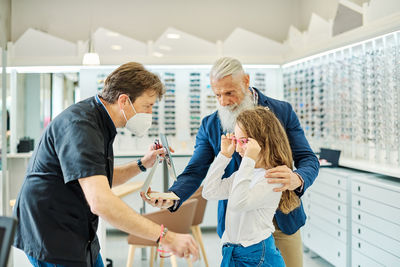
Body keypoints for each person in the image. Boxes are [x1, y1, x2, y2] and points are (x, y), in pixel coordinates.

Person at [13, 62, 199, 267]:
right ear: (124, 101)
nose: (150, 114)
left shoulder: (99, 122)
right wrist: (166, 236)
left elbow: (100, 178)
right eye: (148, 106)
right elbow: (100, 200)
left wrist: (143, 164)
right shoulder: (81, 126)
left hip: (78, 231)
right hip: (53, 237)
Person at [142, 57, 319, 267]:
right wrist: (173, 195)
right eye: (217, 94)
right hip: (239, 228)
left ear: (246, 81)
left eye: (229, 93)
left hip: (282, 219)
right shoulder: (210, 125)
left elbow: (308, 159)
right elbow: (195, 170)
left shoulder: (282, 111)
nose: (223, 101)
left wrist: (297, 178)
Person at [203, 107, 300, 266]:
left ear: (263, 142)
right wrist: (224, 156)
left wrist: (248, 159)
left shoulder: (272, 177)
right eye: (237, 140)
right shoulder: (246, 173)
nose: (239, 148)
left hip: (257, 256)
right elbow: (209, 191)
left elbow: (238, 203)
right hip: (235, 251)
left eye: (244, 142)